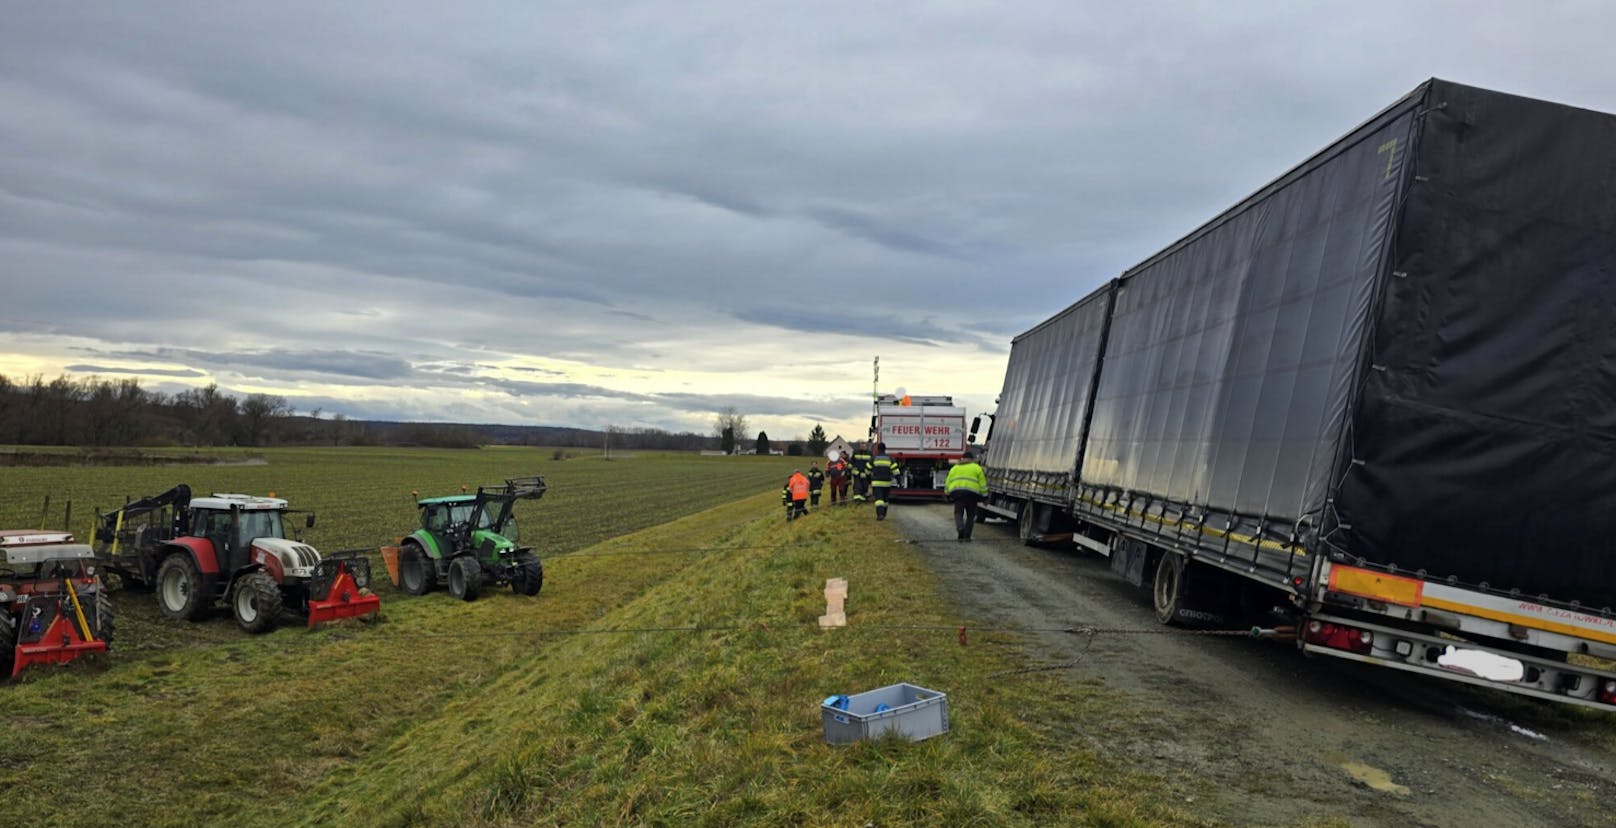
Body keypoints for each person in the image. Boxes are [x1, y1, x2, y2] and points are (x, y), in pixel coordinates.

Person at [945, 449, 989, 540]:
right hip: (972, 495)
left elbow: (948, 482)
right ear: (972, 459)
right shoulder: (977, 468)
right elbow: (983, 484)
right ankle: (967, 535)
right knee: (971, 515)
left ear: (962, 459)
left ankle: (960, 527)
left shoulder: (954, 468)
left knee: (958, 513)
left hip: (958, 494)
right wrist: (985, 497)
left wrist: (947, 494)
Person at [868, 442, 898, 520]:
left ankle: (880, 514)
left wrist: (868, 477)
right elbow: (896, 471)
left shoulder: (874, 458)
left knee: (879, 499)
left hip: (876, 483)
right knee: (885, 499)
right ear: (885, 449)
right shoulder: (890, 458)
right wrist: (897, 479)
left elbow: (867, 469)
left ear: (878, 449)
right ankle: (884, 514)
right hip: (887, 483)